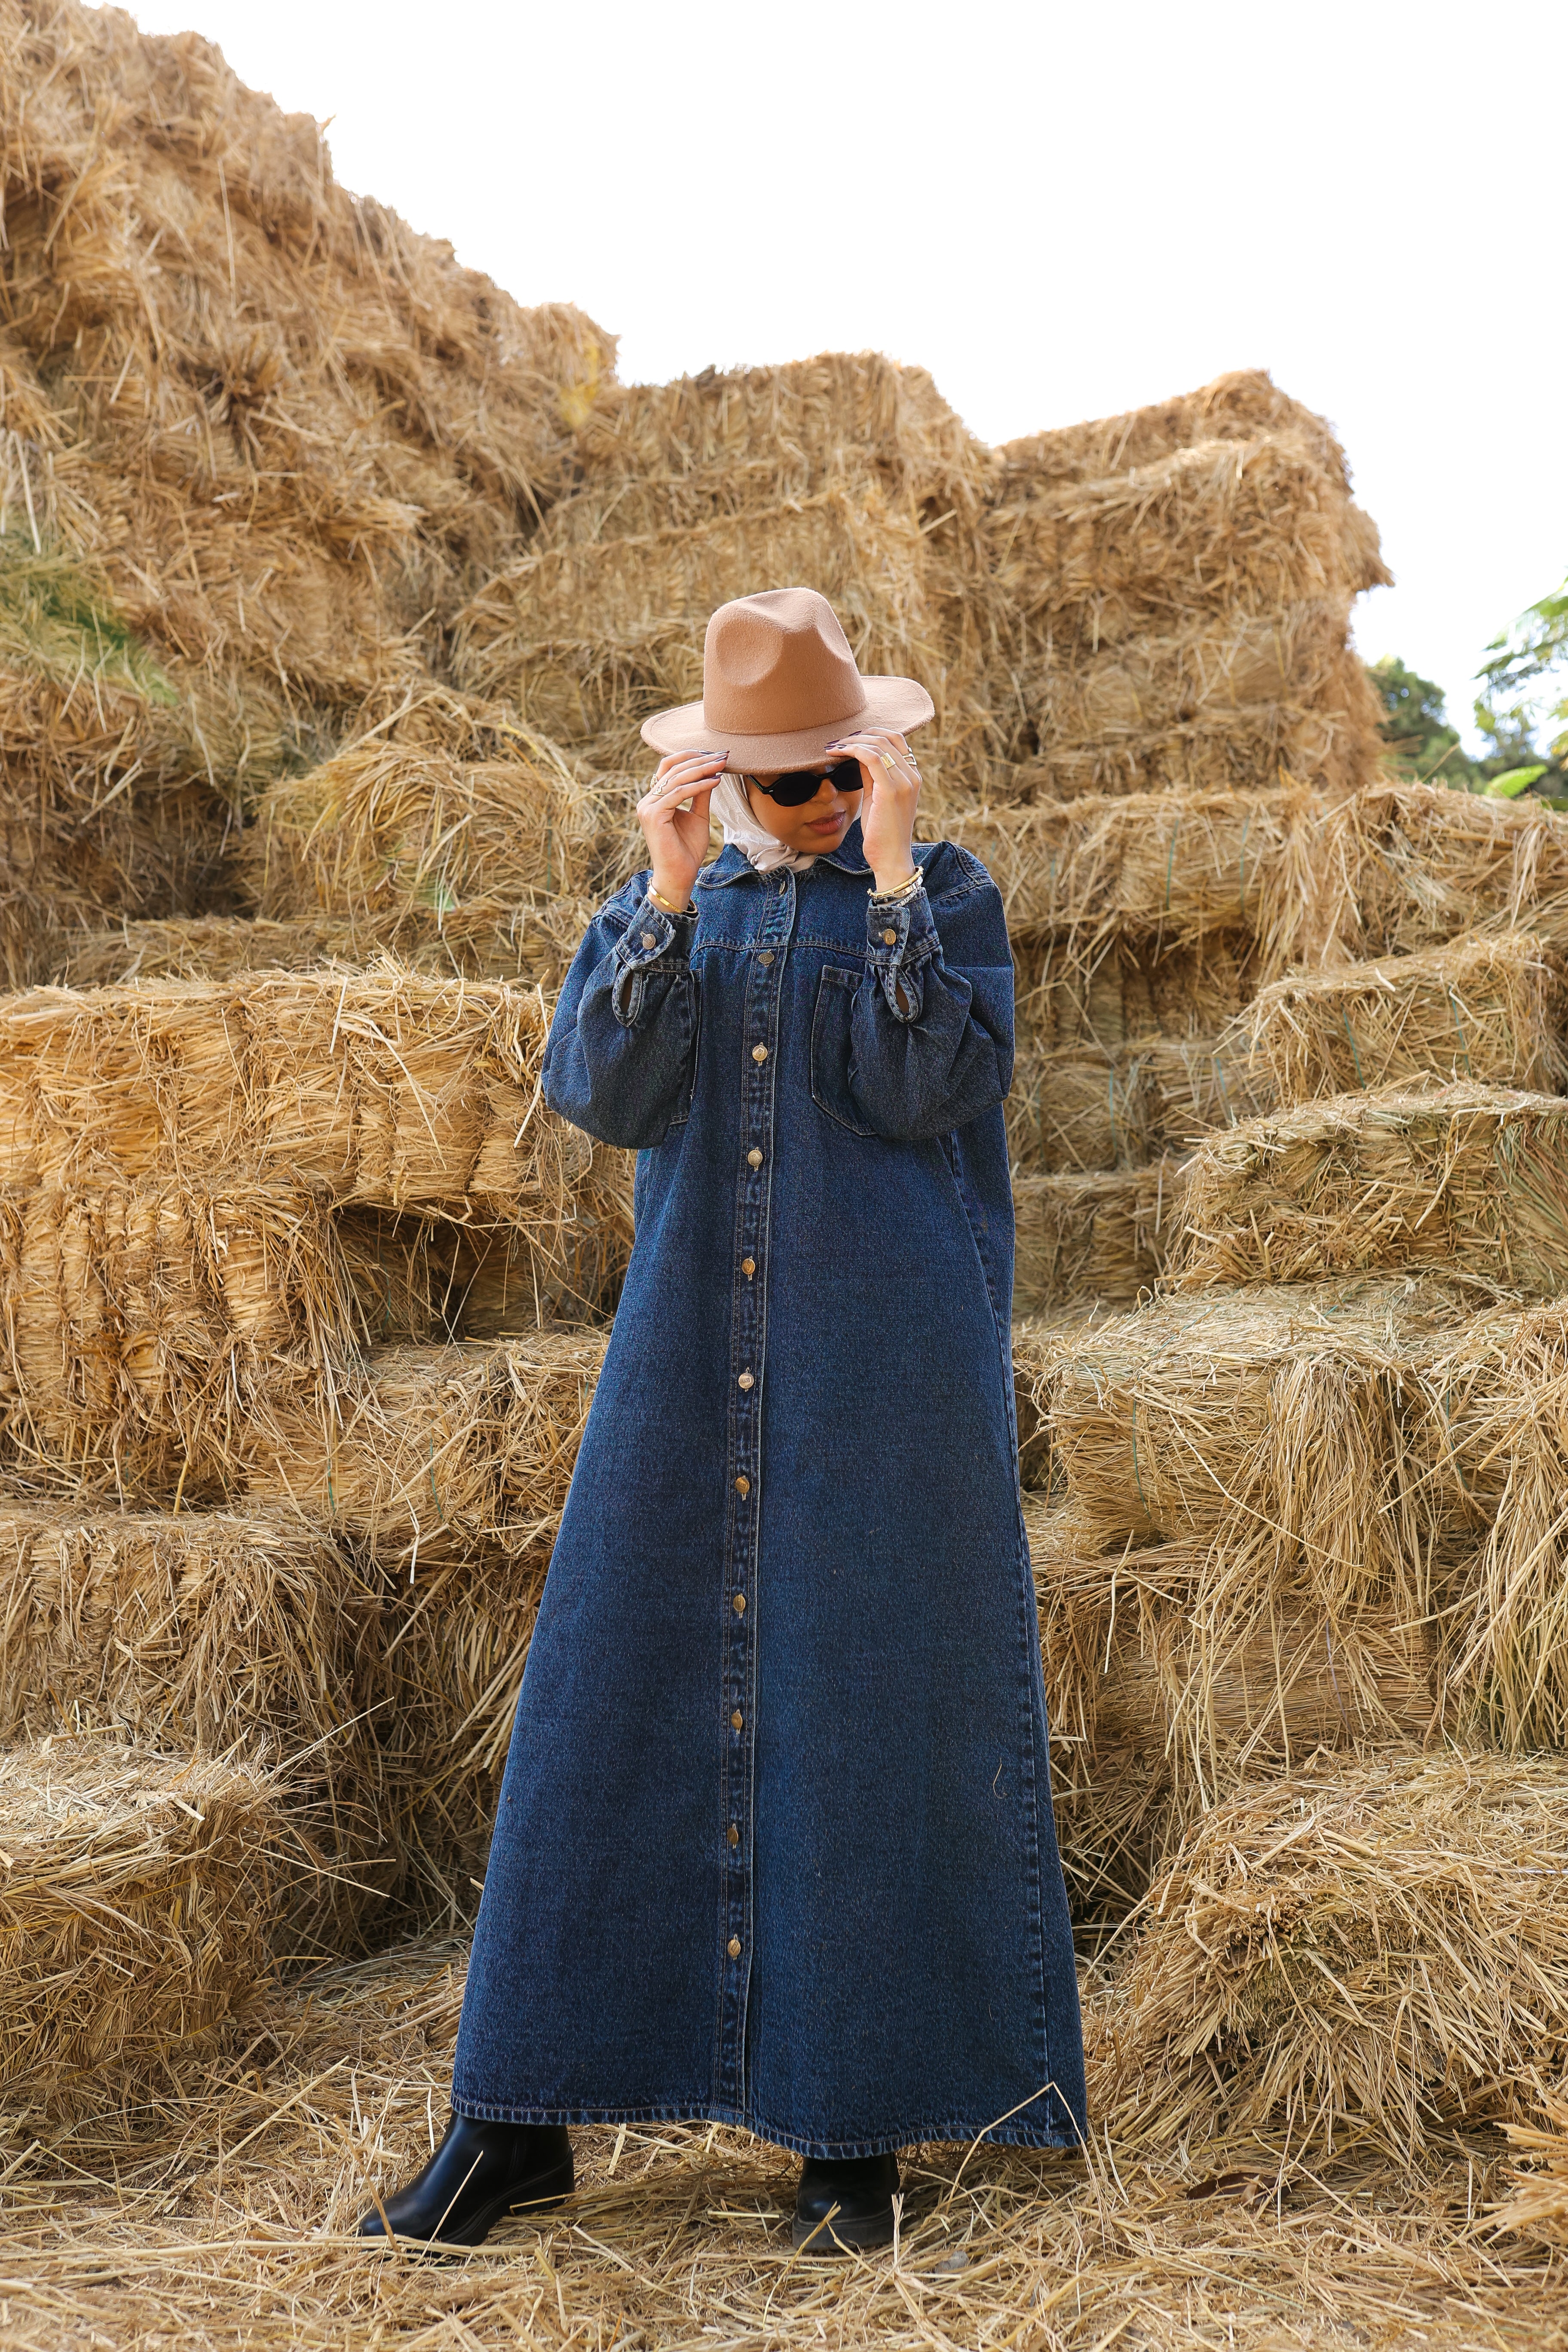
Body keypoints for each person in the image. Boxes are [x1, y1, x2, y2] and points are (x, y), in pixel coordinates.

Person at [360, 587, 1086, 2256]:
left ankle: (856, 2134)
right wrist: (669, 892)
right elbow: (599, 1098)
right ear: (721, 787)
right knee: (607, 1695)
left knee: (868, 1709)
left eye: (843, 773)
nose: (823, 805)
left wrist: (893, 881)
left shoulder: (948, 893)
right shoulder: (663, 909)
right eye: (789, 786)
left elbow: (937, 1091)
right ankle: (518, 2123)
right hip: (687, 1363)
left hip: (889, 1376)